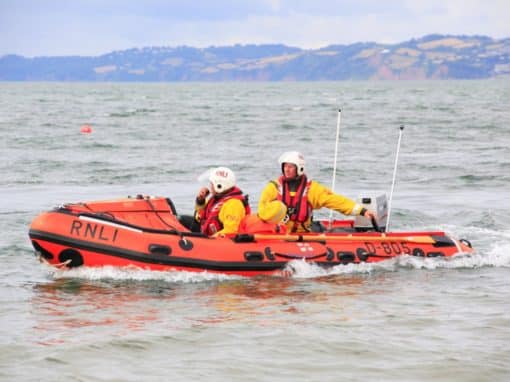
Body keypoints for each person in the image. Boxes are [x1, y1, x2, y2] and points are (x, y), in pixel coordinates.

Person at [258, 151, 376, 233]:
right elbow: (262, 209)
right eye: (285, 166)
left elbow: (334, 201)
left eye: (291, 167)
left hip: (303, 233)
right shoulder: (273, 187)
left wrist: (361, 210)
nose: (286, 170)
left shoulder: (312, 189)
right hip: (278, 233)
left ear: (299, 168)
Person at [194, 166, 250, 236]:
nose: (210, 186)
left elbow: (231, 231)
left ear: (219, 186)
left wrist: (209, 240)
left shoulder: (233, 205)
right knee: (181, 219)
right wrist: (201, 201)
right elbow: (200, 217)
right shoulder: (217, 199)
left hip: (220, 242)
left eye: (212, 184)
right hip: (208, 233)